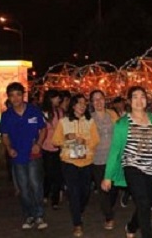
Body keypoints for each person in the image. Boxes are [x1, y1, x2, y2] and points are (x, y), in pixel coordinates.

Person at [102, 86, 152, 238]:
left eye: (142, 96)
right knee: (142, 202)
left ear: (146, 101)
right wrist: (107, 176)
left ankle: (132, 225)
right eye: (135, 97)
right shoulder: (122, 123)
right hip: (132, 167)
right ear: (129, 101)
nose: (139, 100)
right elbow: (115, 151)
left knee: (145, 204)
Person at [0, 82, 48, 230]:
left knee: (36, 185)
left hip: (34, 154)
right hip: (17, 156)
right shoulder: (7, 115)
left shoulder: (34, 110)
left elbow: (43, 130)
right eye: (12, 95)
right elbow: (5, 135)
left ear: (23, 95)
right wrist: (8, 148)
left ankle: (39, 215)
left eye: (18, 94)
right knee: (23, 188)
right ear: (8, 97)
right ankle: (29, 215)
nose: (15, 98)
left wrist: (38, 144)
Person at [52, 94, 99, 237]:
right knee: (73, 192)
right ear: (73, 105)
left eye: (84, 103)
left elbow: (96, 140)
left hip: (86, 162)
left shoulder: (90, 122)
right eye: (79, 103)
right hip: (69, 162)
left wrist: (84, 141)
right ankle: (77, 224)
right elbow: (55, 141)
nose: (82, 106)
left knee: (85, 192)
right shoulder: (63, 122)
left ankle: (78, 209)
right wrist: (67, 138)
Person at [89, 89, 120, 230]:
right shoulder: (89, 118)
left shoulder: (112, 114)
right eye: (95, 99)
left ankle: (109, 207)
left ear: (105, 100)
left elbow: (120, 132)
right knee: (103, 189)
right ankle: (109, 217)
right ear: (91, 103)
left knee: (113, 188)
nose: (98, 102)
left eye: (100, 98)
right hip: (98, 158)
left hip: (114, 157)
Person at [41, 90, 64, 210]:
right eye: (57, 98)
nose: (59, 100)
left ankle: (55, 199)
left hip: (59, 146)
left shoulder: (60, 112)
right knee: (49, 173)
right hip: (46, 146)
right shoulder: (43, 112)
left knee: (58, 174)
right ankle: (45, 193)